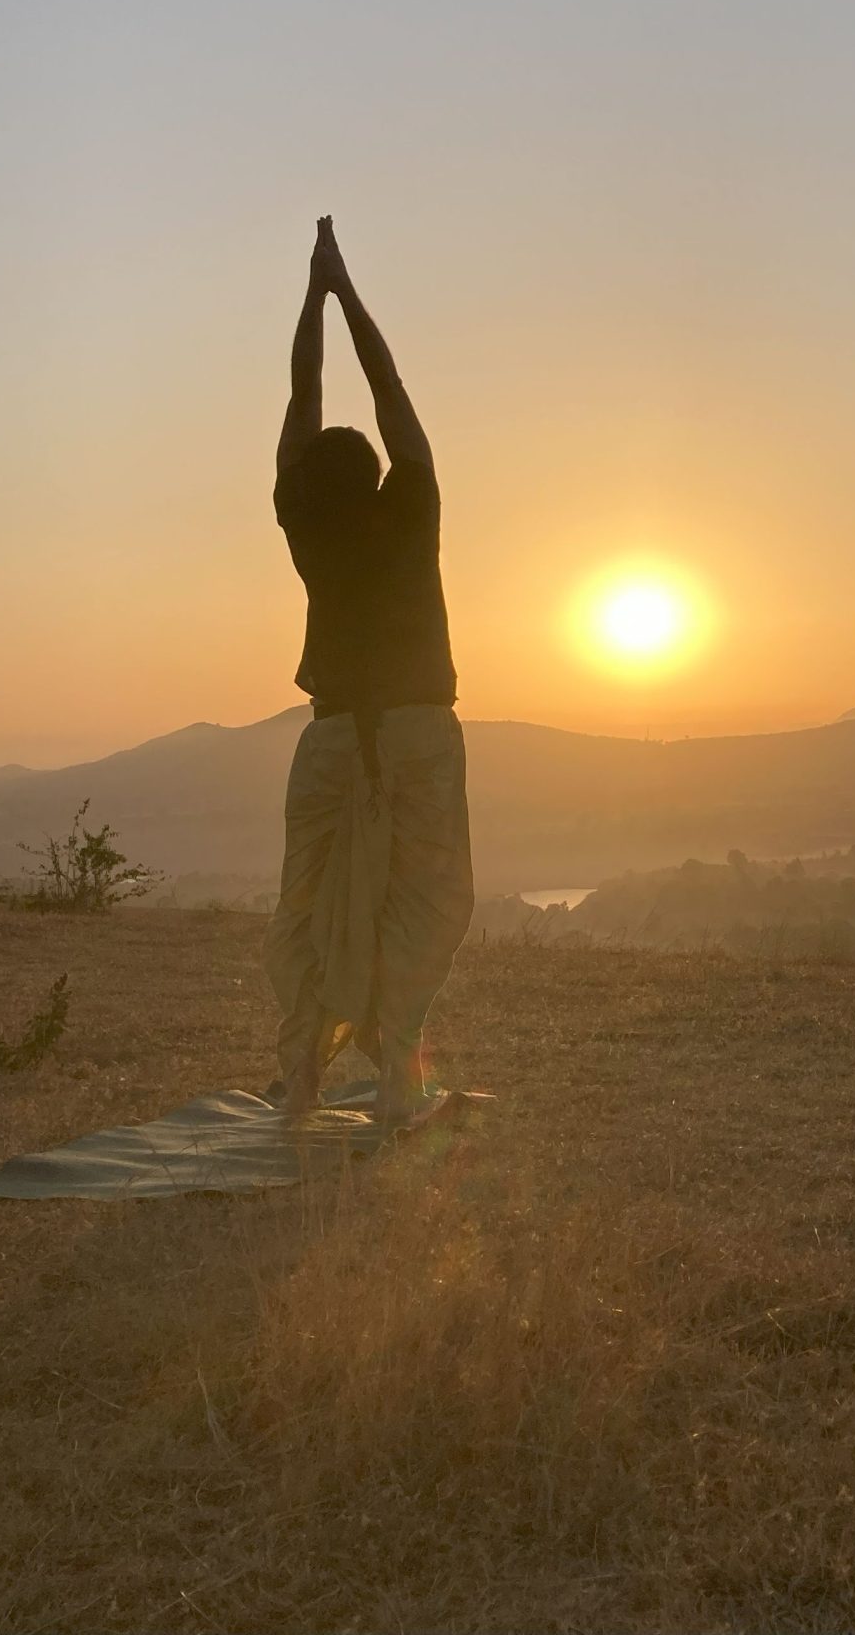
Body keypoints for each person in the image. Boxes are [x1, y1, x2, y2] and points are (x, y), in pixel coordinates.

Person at [264, 217, 473, 1128]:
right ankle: (395, 1082)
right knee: (424, 904)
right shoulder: (412, 507)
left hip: (333, 735)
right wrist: (348, 293)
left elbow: (301, 394)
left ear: (312, 481)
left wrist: (310, 298)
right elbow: (389, 391)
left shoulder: (303, 521)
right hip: (419, 732)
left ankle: (304, 1078)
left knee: (309, 907)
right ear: (379, 473)